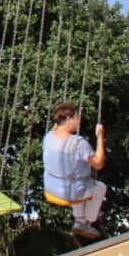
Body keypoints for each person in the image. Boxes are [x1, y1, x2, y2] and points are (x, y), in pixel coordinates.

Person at [42, 101, 106, 240]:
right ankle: (85, 222)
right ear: (69, 119)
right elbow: (99, 163)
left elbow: (56, 128)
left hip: (51, 188)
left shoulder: (48, 137)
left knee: (75, 173)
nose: (78, 122)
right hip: (71, 192)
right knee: (98, 187)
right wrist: (100, 136)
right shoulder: (78, 143)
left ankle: (79, 218)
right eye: (76, 118)